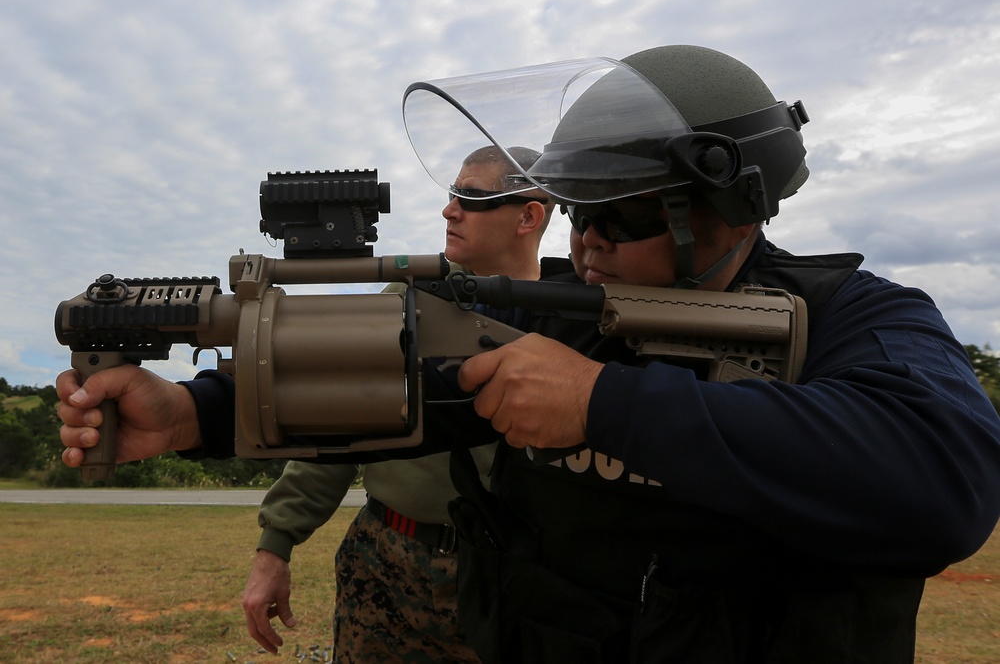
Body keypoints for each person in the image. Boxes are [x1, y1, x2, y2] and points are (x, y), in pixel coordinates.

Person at [57, 45, 1000, 663]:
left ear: (725, 210)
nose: (584, 243)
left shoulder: (860, 321)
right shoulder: (570, 317)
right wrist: (194, 415)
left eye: (618, 215)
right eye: (577, 211)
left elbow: (944, 480)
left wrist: (605, 405)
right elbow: (403, 388)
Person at [241, 145, 554, 662]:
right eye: (452, 193)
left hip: (512, 576)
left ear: (528, 216)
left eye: (471, 197)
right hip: (387, 564)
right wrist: (275, 546)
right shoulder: (406, 300)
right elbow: (336, 423)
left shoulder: (572, 321)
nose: (449, 209)